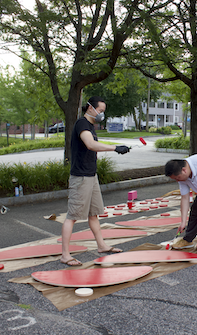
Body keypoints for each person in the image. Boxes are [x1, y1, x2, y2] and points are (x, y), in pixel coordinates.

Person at [60, 96, 130, 266]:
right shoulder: (82, 124)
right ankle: (65, 255)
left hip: (91, 175)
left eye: (103, 112)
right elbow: (90, 144)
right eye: (100, 111)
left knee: (93, 214)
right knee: (72, 217)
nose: (101, 114)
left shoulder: (90, 126)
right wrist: (115, 148)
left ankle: (101, 246)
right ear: (90, 108)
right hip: (81, 178)